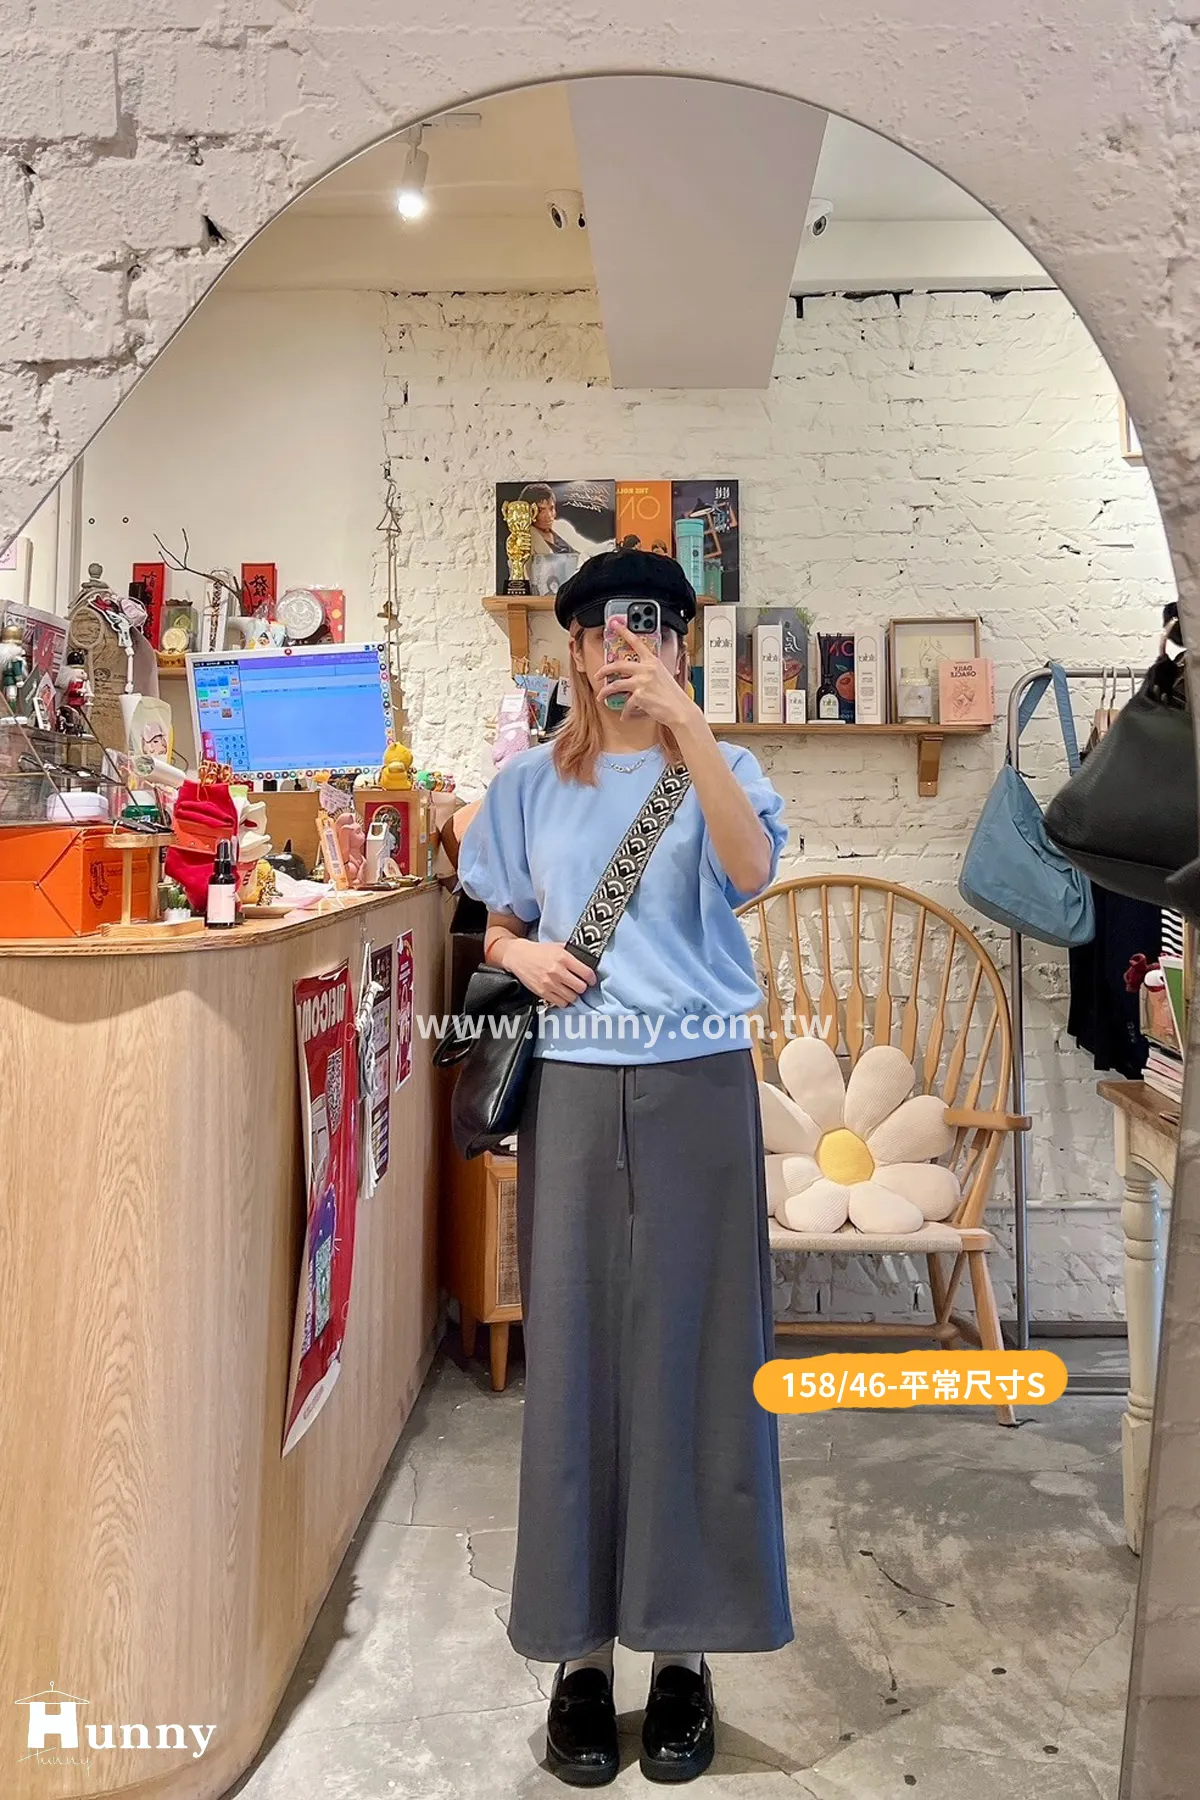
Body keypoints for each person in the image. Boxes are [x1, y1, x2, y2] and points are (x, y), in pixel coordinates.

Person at [458, 549, 793, 1787]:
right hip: (576, 1091)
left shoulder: (727, 769)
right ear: (571, 650)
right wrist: (521, 957)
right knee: (576, 1364)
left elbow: (752, 875)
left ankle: (686, 1656)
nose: (621, 648)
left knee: (703, 1364)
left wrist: (692, 731)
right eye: (600, 630)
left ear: (682, 645)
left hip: (700, 1081)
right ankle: (581, 1661)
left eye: (646, 628)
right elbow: (487, 926)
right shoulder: (527, 786)